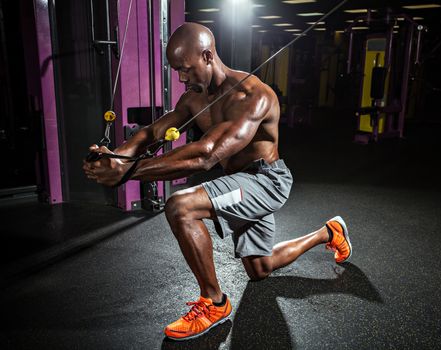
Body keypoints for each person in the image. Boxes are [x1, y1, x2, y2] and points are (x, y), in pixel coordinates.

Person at [83, 22, 352, 341]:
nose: (182, 78)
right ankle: (329, 232)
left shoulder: (253, 95)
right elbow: (152, 133)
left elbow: (207, 154)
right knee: (260, 269)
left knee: (180, 206)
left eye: (186, 69)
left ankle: (213, 302)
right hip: (239, 182)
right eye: (177, 71)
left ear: (208, 55)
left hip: (266, 181)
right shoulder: (193, 98)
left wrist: (128, 172)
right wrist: (117, 157)